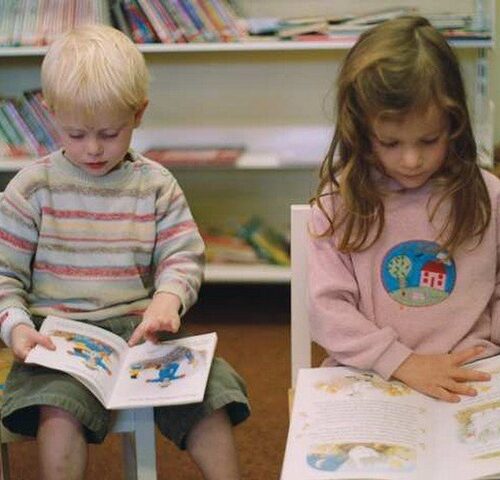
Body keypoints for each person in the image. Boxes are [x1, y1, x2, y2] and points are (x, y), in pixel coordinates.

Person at [0, 24, 249, 480]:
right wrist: (16, 328)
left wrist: (168, 300)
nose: (93, 149)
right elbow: (3, 276)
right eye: (76, 135)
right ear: (51, 114)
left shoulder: (155, 184)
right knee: (57, 412)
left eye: (110, 133)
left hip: (142, 333)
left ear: (138, 114)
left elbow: (182, 255)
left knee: (212, 394)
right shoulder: (31, 188)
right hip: (59, 339)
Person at [308, 15, 498, 405]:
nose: (411, 160)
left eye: (429, 140)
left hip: (474, 375)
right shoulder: (337, 203)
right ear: (360, 132)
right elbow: (327, 309)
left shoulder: (489, 195)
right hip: (369, 375)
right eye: (390, 143)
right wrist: (403, 362)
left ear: (454, 124)